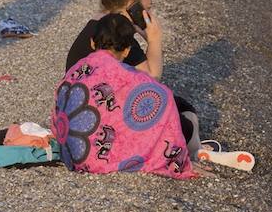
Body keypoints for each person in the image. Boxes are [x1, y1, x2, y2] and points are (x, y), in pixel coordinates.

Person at [65, 0, 203, 155]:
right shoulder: (120, 36)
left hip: (80, 114)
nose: (150, 14)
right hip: (105, 122)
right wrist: (155, 40)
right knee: (185, 117)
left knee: (180, 106)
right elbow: (152, 80)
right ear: (132, 7)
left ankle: (196, 147)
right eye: (148, 8)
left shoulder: (97, 25)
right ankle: (195, 151)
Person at [54, 13, 194, 178]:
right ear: (127, 50)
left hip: (72, 154)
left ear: (92, 42)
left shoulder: (75, 69)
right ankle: (193, 151)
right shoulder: (128, 76)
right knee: (183, 121)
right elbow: (163, 97)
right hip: (98, 160)